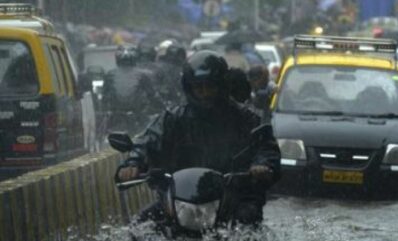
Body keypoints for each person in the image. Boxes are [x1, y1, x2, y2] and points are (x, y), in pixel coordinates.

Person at [116, 50, 281, 226]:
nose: (204, 93)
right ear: (189, 88)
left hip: (233, 198)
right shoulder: (172, 118)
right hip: (180, 199)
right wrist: (133, 163)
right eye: (198, 87)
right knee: (140, 226)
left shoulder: (246, 119)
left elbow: (266, 147)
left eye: (210, 86)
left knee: (248, 224)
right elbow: (147, 141)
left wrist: (261, 165)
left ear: (221, 85)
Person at [102, 45, 161, 136]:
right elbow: (152, 95)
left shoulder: (110, 74)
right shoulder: (142, 75)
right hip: (135, 115)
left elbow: (104, 97)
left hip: (119, 116)